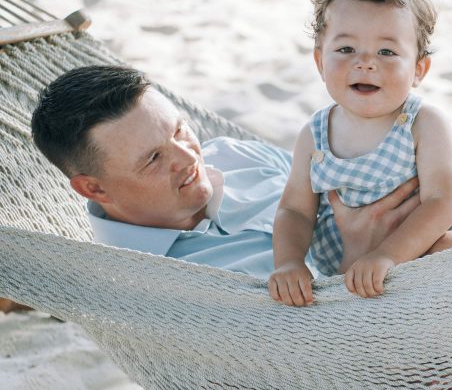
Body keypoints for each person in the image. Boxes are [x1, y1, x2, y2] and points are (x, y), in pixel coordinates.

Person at [28, 64, 418, 283]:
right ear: (93, 188)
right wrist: (357, 256)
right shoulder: (146, 281)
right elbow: (315, 354)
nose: (188, 156)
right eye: (153, 159)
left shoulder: (236, 155)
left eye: (179, 129)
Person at [268, 0, 452, 305]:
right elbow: (294, 211)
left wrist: (386, 255)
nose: (366, 63)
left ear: (418, 70)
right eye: (346, 49)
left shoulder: (423, 123)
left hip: (423, 252)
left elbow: (441, 202)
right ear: (319, 61)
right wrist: (290, 262)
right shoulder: (314, 134)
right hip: (347, 272)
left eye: (386, 52)